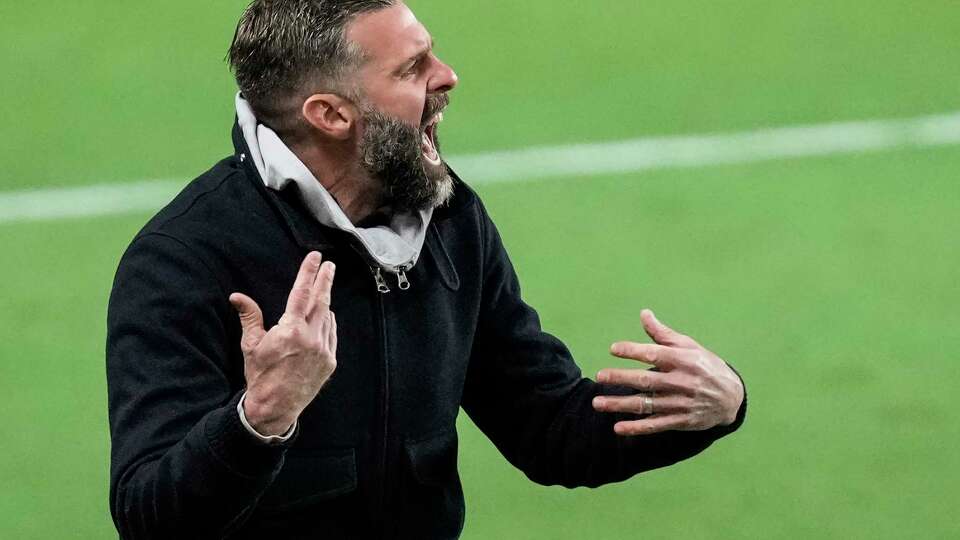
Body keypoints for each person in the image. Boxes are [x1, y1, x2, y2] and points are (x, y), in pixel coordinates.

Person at [105, 1, 747, 538]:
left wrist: (704, 407)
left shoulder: (446, 218)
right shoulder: (182, 260)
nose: (448, 76)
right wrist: (261, 416)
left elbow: (547, 426)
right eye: (413, 68)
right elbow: (149, 517)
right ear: (330, 114)